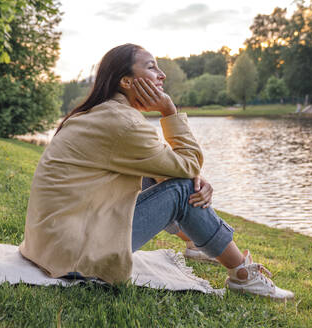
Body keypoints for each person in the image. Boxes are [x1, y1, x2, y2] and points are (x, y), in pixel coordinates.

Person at [19, 44, 294, 300]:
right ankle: (243, 275)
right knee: (183, 187)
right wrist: (169, 111)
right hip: (76, 254)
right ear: (126, 82)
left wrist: (190, 175)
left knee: (170, 178)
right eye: (151, 67)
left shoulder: (103, 115)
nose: (161, 75)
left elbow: (174, 165)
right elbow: (188, 164)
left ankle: (197, 244)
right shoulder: (122, 123)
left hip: (52, 244)